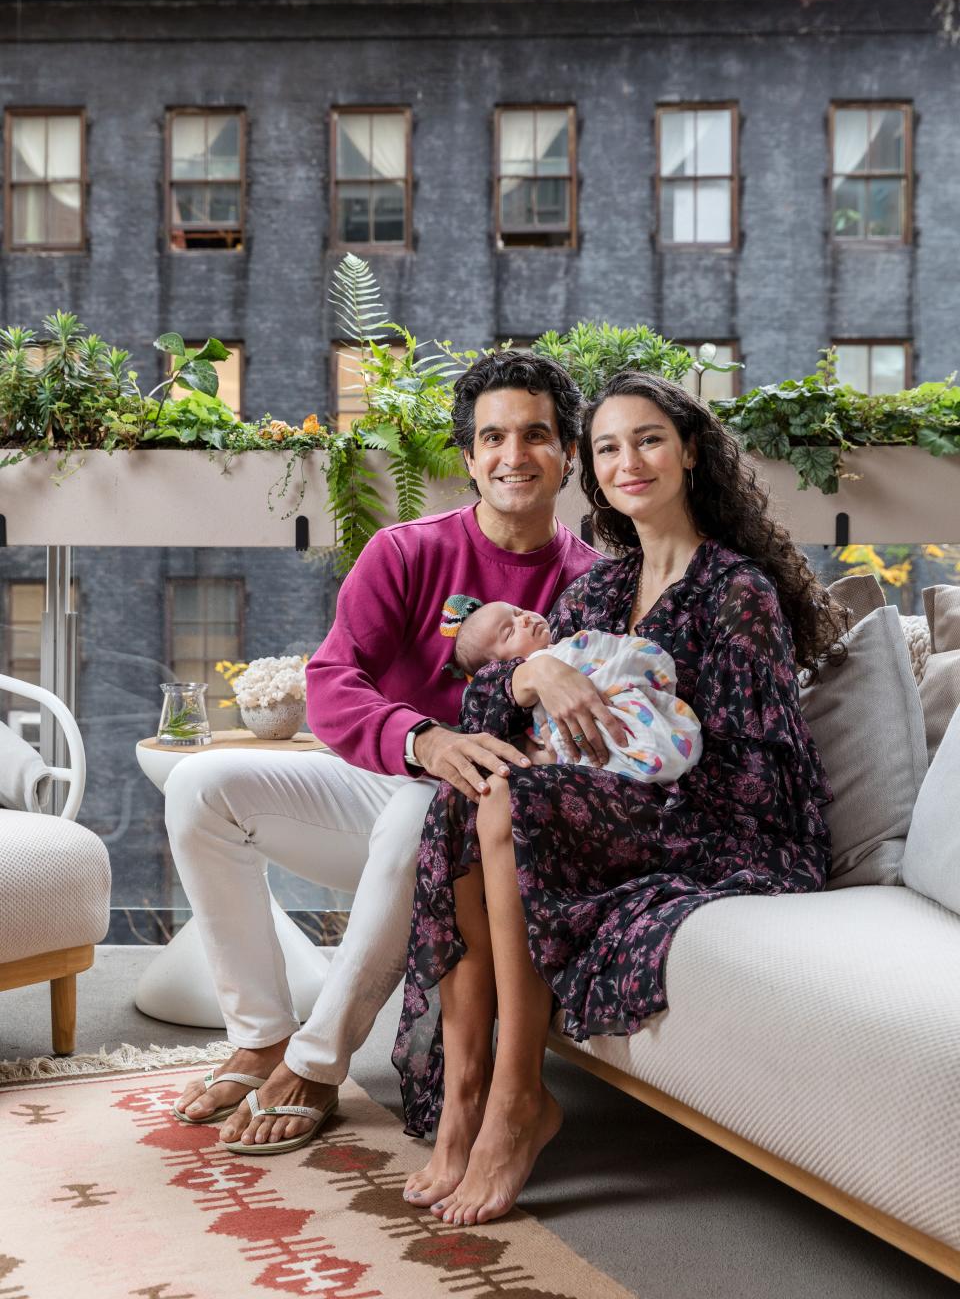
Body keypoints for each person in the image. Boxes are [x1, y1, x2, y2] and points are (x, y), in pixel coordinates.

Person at [393, 369, 848, 1226]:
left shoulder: (734, 590)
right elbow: (485, 714)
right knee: (469, 789)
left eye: (646, 440)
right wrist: (532, 670)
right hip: (610, 808)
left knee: (514, 803)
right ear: (591, 469)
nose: (627, 460)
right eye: (607, 447)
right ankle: (466, 1094)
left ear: (689, 453)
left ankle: (518, 1099)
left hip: (716, 826)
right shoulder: (600, 585)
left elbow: (758, 772)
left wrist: (607, 773)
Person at [165, 351, 597, 1154]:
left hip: (482, 824)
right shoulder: (405, 551)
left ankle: (318, 1062)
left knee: (422, 813)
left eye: (536, 435)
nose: (514, 456)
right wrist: (420, 737)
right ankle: (260, 1034)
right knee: (199, 784)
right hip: (383, 780)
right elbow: (331, 683)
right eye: (492, 437)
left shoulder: (596, 585)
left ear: (569, 452)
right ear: (467, 456)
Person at [450, 598, 702, 782]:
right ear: (500, 666)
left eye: (518, 611)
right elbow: (544, 733)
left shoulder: (577, 643)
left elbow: (618, 652)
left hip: (628, 708)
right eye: (510, 630)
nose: (524, 619)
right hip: (599, 748)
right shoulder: (522, 689)